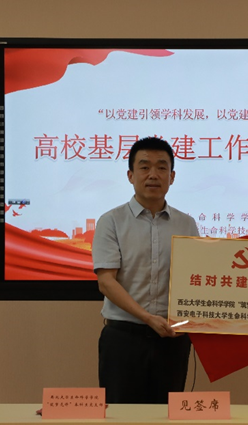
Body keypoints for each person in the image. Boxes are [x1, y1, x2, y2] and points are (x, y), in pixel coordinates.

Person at [92, 136, 199, 404]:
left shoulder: (186, 224)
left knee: (167, 415)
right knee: (120, 416)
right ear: (130, 175)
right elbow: (106, 282)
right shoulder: (111, 221)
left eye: (162, 167)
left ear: (172, 177)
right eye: (144, 167)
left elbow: (194, 280)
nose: (153, 174)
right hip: (123, 338)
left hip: (172, 339)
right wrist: (148, 318)